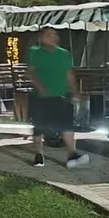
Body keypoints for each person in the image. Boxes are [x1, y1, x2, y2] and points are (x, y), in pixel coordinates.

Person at [27, 27, 89, 169]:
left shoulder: (64, 54)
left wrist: (74, 91)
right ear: (41, 37)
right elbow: (30, 73)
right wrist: (39, 86)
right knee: (39, 126)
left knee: (67, 126)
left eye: (54, 34)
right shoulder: (35, 53)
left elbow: (69, 74)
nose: (52, 37)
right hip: (41, 97)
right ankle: (39, 155)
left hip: (62, 95)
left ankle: (72, 155)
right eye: (48, 34)